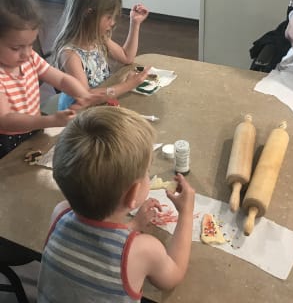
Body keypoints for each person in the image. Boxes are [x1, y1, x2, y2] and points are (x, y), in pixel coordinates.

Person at [37, 106, 195, 303]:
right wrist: (186, 212)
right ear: (133, 195)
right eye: (146, 172)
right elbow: (174, 275)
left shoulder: (59, 213)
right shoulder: (143, 250)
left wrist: (133, 226)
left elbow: (92, 244)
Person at [0, 0, 101, 159]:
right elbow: (5, 119)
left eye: (30, 44)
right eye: (16, 48)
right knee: (12, 179)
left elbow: (61, 79)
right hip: (7, 141)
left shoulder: (30, 58)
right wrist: (50, 121)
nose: (26, 53)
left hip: (33, 127)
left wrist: (82, 94)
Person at [52, 0, 150, 110]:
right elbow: (86, 96)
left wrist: (135, 23)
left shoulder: (98, 38)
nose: (113, 22)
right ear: (89, 14)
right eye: (109, 17)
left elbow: (127, 57)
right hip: (79, 118)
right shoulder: (70, 55)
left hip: (101, 104)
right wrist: (127, 85)